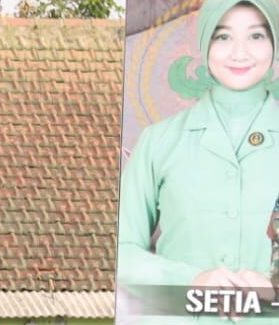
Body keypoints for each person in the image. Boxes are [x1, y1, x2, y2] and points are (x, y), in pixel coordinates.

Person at [117, 0, 279, 295]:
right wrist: (188, 279)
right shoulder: (158, 141)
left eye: (256, 36)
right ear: (204, 45)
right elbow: (119, 252)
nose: (239, 52)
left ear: (275, 43)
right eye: (223, 36)